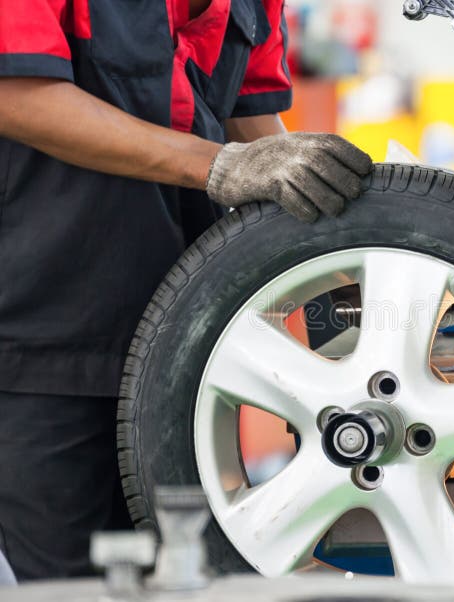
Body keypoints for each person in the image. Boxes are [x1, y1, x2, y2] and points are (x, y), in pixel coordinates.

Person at [0, 0, 373, 581]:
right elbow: (15, 94)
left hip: (182, 349)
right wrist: (217, 165)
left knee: (197, 577)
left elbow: (250, 125)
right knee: (79, 583)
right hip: (42, 342)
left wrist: (345, 281)